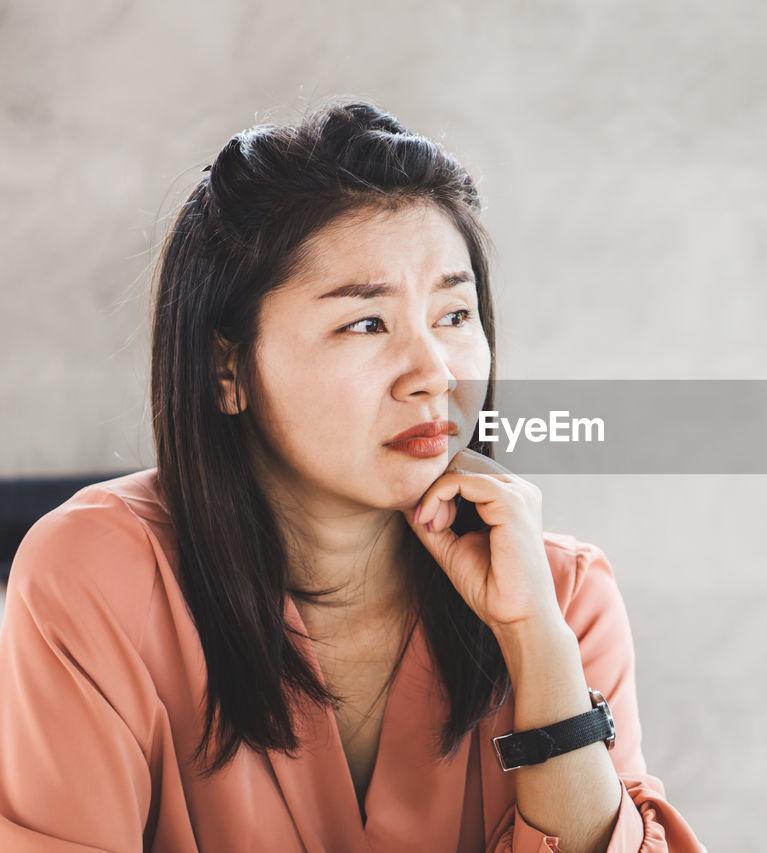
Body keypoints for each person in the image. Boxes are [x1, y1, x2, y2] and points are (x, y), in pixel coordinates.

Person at [0, 101, 703, 853]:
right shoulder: (95, 571)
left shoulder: (561, 594)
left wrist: (537, 643)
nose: (434, 373)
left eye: (456, 315)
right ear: (227, 367)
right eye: (366, 324)